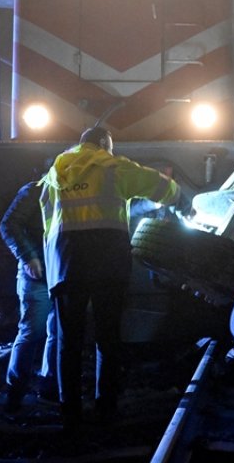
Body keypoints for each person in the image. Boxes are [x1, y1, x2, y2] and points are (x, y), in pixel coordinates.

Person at [38, 126, 179, 428]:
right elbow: (163, 188)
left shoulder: (55, 172)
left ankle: (70, 412)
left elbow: (48, 223)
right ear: (104, 145)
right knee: (108, 338)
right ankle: (106, 407)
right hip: (107, 264)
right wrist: (178, 195)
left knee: (68, 342)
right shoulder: (112, 166)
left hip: (66, 264)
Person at [0, 169, 58, 412]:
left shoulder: (48, 191)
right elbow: (8, 225)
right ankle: (19, 390)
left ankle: (42, 389)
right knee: (36, 331)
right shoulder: (34, 191)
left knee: (50, 332)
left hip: (53, 275)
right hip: (41, 275)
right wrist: (28, 257)